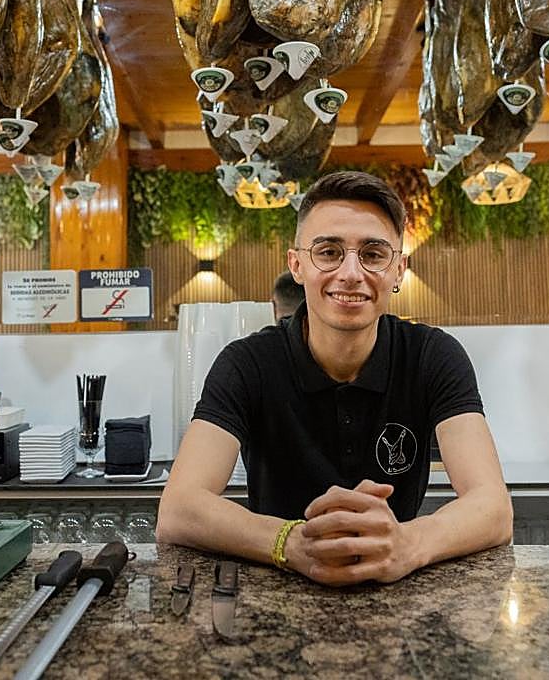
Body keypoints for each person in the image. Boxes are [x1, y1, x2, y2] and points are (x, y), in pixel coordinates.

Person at [157, 171, 512, 586]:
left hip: (396, 601)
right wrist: (293, 543)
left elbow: (493, 508)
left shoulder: (434, 356)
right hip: (274, 599)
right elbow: (178, 509)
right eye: (328, 252)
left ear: (398, 270)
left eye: (374, 255)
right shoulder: (247, 362)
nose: (350, 273)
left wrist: (408, 544)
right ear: (297, 265)